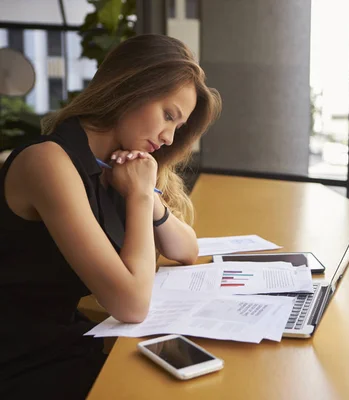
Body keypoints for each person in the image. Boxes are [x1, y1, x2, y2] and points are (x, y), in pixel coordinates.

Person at [0, 34, 221, 399]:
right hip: (22, 362)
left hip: (66, 343)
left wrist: (147, 194)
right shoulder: (49, 162)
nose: (168, 138)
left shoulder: (113, 165)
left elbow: (186, 249)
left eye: (178, 127)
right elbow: (131, 304)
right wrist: (137, 195)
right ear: (133, 86)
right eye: (168, 115)